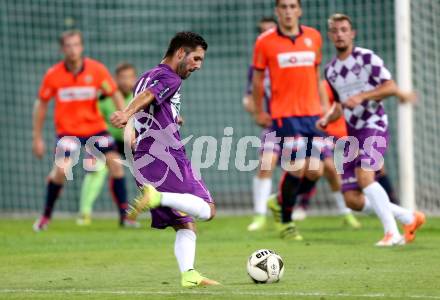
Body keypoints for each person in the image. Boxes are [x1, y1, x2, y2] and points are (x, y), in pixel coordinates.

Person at [110, 32, 219, 287]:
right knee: (208, 210)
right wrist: (127, 113)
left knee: (184, 222)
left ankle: (189, 275)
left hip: (143, 161)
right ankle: (157, 197)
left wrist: (171, 115)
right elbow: (149, 96)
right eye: (196, 58)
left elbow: (149, 103)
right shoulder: (170, 77)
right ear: (180, 52)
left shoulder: (145, 75)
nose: (198, 65)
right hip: (166, 156)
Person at [317, 13, 425, 246]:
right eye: (335, 31)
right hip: (352, 133)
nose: (340, 34)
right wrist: (328, 117)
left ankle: (392, 233)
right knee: (352, 199)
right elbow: (341, 104)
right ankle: (409, 217)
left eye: (344, 29)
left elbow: (390, 86)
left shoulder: (366, 58)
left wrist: (363, 96)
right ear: (330, 36)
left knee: (366, 176)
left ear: (352, 33)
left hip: (374, 124)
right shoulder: (331, 70)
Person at [32, 30, 129, 231]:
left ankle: (124, 217)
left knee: (116, 165)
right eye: (68, 46)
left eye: (76, 45)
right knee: (60, 170)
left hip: (96, 130)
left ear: (82, 47)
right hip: (68, 132)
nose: (73, 50)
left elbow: (115, 93)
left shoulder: (97, 70)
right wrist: (37, 138)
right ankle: (45, 217)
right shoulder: (53, 75)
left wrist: (125, 117)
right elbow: (41, 105)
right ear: (62, 49)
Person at [252, 0, 328, 240]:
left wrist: (325, 106)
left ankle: (279, 200)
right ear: (277, 11)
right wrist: (258, 111)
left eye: (292, 6)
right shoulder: (265, 41)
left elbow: (316, 76)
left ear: (300, 10)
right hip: (285, 115)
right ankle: (286, 222)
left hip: (313, 113)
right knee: (296, 167)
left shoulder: (314, 37)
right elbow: (256, 81)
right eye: (283, 7)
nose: (288, 11)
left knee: (316, 170)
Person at [76, 63, 139, 227]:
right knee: (96, 171)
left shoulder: (140, 96)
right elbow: (91, 121)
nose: (126, 81)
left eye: (130, 77)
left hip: (131, 142)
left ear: (135, 79)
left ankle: (164, 209)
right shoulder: (104, 97)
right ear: (115, 79)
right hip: (105, 142)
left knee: (152, 170)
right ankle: (85, 213)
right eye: (122, 78)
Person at [293, 79, 361, 229]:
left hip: (336, 133)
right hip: (318, 131)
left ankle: (347, 212)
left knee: (330, 169)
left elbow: (333, 109)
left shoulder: (344, 87)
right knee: (318, 167)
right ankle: (294, 203)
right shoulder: (316, 86)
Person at [242, 17, 278, 231]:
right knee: (265, 165)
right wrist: (256, 110)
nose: (265, 36)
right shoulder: (257, 67)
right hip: (274, 125)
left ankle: (346, 212)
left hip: (299, 122)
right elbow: (249, 97)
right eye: (261, 32)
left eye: (269, 31)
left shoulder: (290, 59)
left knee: (312, 171)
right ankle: (259, 216)